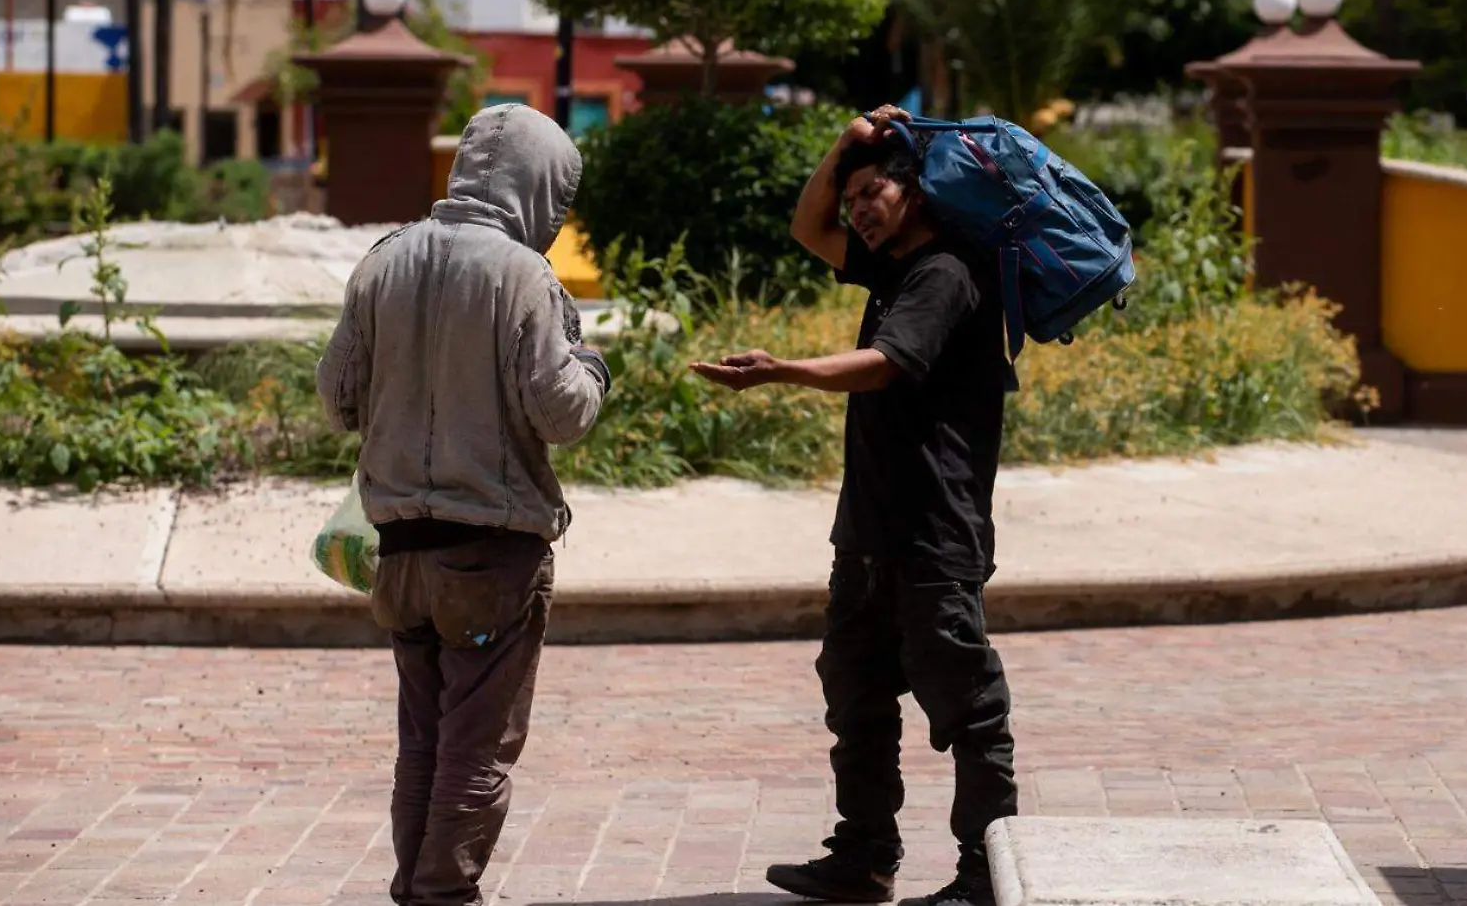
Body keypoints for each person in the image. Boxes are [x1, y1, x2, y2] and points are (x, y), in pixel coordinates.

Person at [691, 105, 1017, 906]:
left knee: (968, 710)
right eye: (855, 199)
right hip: (870, 534)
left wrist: (780, 370)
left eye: (874, 192)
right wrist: (845, 147)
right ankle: (864, 857)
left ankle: (987, 871)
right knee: (857, 695)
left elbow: (884, 364)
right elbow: (808, 226)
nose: (858, 210)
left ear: (919, 192)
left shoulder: (946, 272)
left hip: (933, 536)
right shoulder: (892, 267)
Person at [316, 103, 612, 906]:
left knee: (424, 742)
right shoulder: (525, 275)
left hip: (401, 553)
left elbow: (338, 398)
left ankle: (415, 888)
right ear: (539, 188)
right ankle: (443, 895)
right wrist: (592, 363)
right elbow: (563, 414)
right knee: (476, 750)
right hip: (491, 555)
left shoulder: (382, 261)